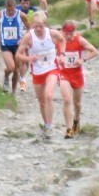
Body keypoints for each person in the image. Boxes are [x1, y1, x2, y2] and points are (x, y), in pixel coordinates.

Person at [17, 12, 65, 140]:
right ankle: (45, 123)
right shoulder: (29, 37)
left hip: (52, 68)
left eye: (41, 26)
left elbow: (62, 40)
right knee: (42, 102)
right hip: (37, 71)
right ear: (33, 24)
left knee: (49, 95)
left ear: (45, 25)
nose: (38, 29)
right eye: (36, 26)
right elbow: (18, 54)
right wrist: (28, 58)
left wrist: (62, 55)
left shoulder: (52, 33)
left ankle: (49, 127)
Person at [58, 20, 99, 139]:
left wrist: (83, 59)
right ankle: (69, 129)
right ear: (62, 31)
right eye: (66, 33)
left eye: (71, 33)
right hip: (64, 73)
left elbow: (95, 51)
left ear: (74, 32)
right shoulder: (58, 41)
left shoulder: (79, 40)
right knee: (66, 99)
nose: (69, 36)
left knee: (77, 103)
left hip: (77, 74)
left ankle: (76, 120)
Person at [0, 0, 31, 94]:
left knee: (17, 69)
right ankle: (6, 76)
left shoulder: (21, 15)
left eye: (12, 10)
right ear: (5, 8)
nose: (11, 12)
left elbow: (30, 27)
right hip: (5, 45)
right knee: (12, 68)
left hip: (17, 45)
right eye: (9, 10)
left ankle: (13, 92)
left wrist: (24, 38)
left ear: (15, 7)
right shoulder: (0, 14)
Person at [16, 0, 38, 91]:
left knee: (27, 59)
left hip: (31, 37)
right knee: (23, 58)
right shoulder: (16, 10)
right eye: (23, 3)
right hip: (19, 37)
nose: (25, 5)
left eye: (27, 3)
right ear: (20, 2)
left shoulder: (34, 11)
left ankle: (22, 76)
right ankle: (23, 80)